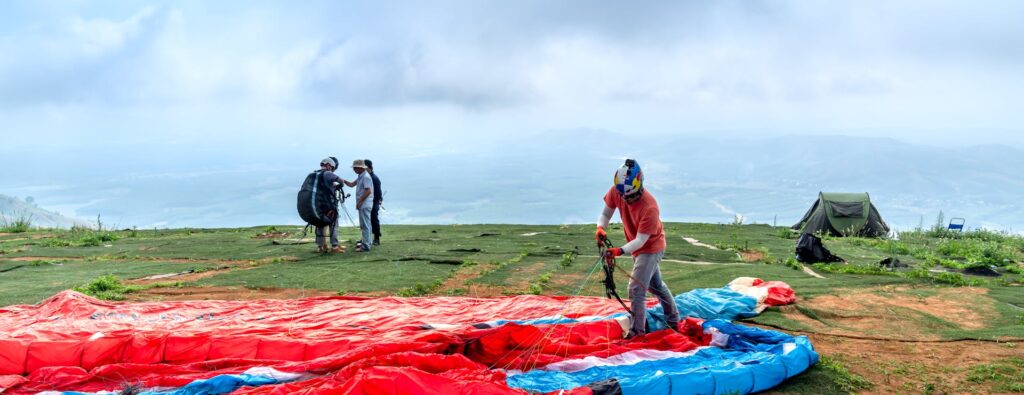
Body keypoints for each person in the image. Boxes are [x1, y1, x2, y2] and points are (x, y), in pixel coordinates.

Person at [596, 158, 680, 338]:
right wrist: (600, 227)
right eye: (623, 196)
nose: (627, 200)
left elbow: (641, 240)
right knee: (656, 286)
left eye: (631, 196)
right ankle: (673, 320)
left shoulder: (650, 207)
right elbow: (605, 213)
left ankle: (637, 333)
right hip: (638, 246)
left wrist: (619, 251)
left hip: (650, 248)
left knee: (636, 289)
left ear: (640, 186)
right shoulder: (618, 191)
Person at [342, 159, 375, 252]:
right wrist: (343, 181)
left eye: (355, 168)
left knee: (365, 225)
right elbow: (352, 184)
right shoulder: (361, 176)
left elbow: (368, 191)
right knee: (366, 224)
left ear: (360, 168)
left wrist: (360, 202)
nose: (354, 169)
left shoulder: (365, 177)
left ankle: (365, 246)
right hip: (364, 204)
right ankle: (368, 243)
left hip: (365, 204)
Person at [316, 157, 345, 253]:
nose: (332, 169)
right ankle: (335, 246)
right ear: (329, 165)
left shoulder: (316, 174)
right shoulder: (328, 173)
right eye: (332, 167)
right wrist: (339, 185)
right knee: (333, 224)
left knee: (319, 224)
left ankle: (320, 247)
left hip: (319, 205)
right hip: (329, 204)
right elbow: (341, 181)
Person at [364, 159, 383, 246]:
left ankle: (377, 238)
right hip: (367, 202)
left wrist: (377, 201)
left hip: (374, 202)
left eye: (365, 167)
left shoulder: (374, 178)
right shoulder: (365, 177)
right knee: (366, 221)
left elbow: (378, 192)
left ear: (369, 167)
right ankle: (366, 238)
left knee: (374, 220)